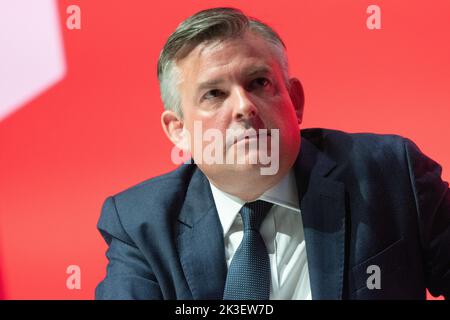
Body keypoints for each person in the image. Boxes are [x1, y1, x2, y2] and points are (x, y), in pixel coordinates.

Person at [95, 7, 450, 300]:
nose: (244, 107)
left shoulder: (389, 175)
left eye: (258, 83)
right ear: (178, 130)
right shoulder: (140, 224)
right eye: (214, 94)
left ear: (295, 102)